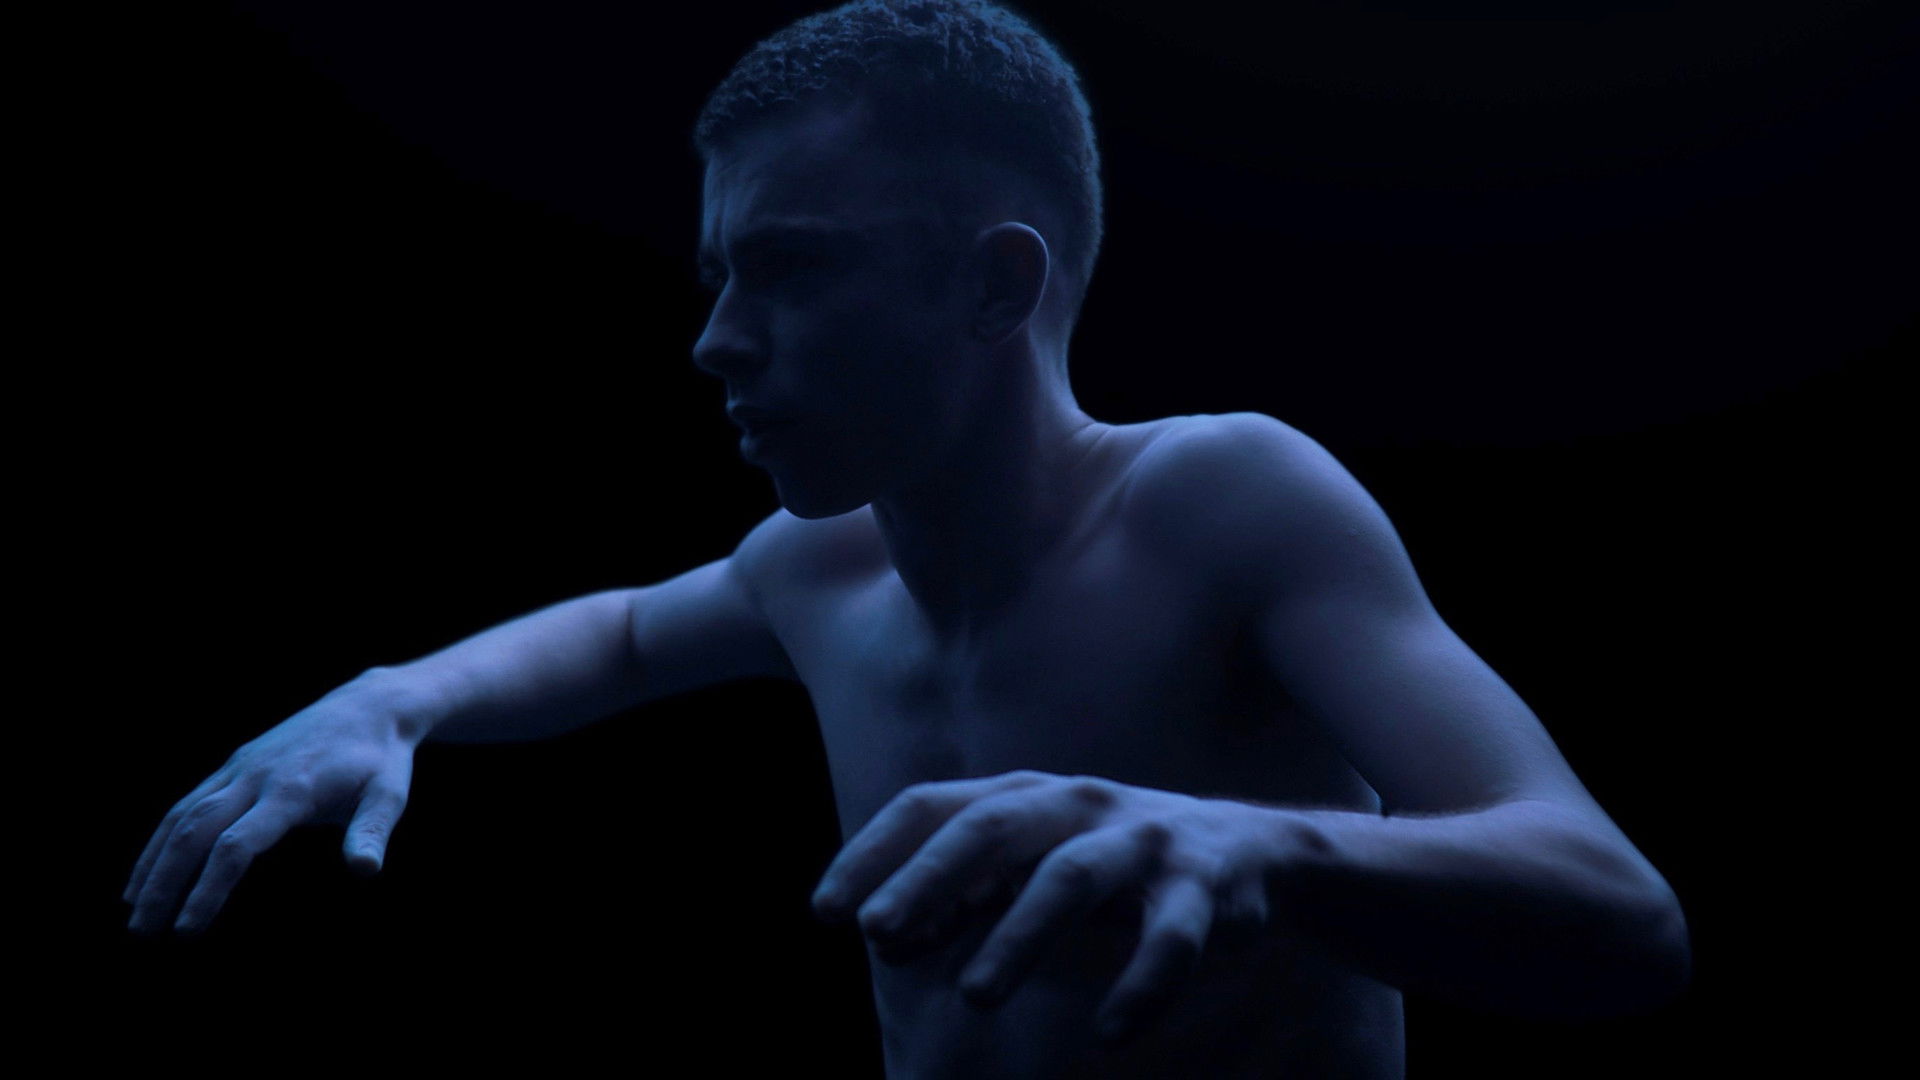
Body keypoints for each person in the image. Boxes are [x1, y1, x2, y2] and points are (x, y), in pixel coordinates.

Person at [123, 1, 1690, 1075]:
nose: (716, 343)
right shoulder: (818, 568)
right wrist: (391, 696)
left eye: (793, 269)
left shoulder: (1220, 501)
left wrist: (1258, 846)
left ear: (996, 286)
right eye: (721, 279)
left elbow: (1619, 910)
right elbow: (614, 631)